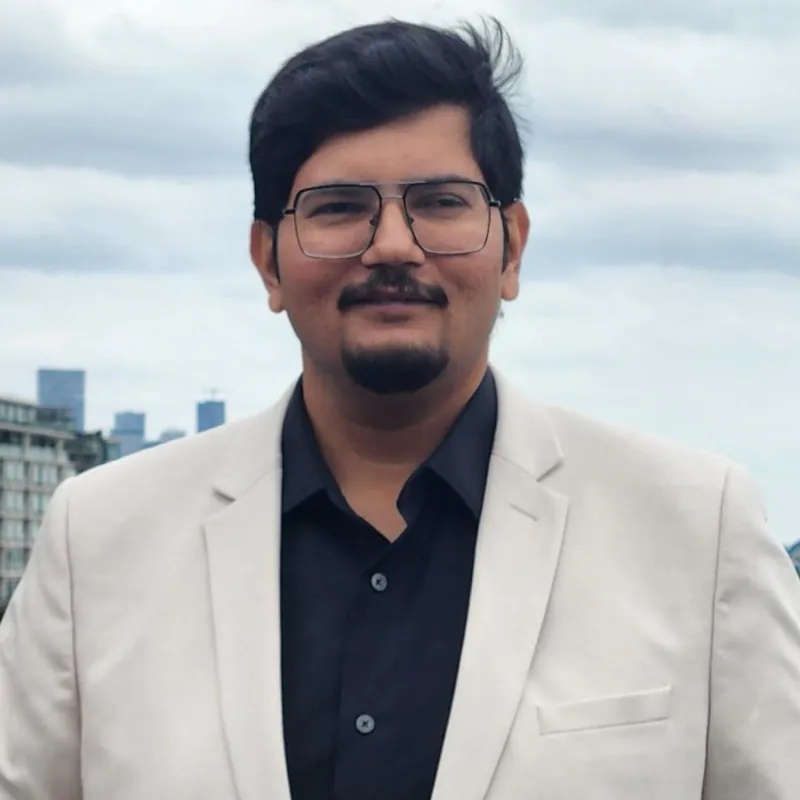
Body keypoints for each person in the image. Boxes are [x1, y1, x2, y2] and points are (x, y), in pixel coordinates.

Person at [1, 17, 798, 800]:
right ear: (267, 261)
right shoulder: (99, 540)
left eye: (441, 202)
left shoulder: (696, 531)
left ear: (512, 246)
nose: (391, 245)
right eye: (339, 206)